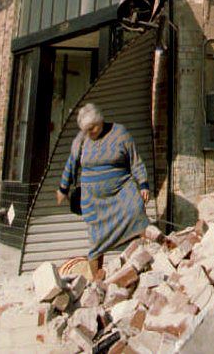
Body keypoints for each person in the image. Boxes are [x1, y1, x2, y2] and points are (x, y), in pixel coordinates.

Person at [56, 103, 150, 277]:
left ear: (101, 120)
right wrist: (63, 188)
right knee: (96, 238)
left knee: (137, 213)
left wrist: (143, 184)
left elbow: (135, 161)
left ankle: (144, 262)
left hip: (121, 190)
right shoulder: (81, 140)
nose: (90, 132)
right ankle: (97, 278)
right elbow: (71, 164)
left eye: (93, 128)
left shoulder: (120, 133)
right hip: (93, 200)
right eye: (87, 130)